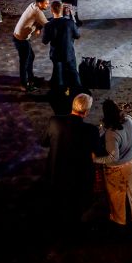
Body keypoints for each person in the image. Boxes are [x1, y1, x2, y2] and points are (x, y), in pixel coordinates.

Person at [40, 93, 100, 227]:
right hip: (78, 179)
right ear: (86, 112)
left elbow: (43, 142)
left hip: (55, 174)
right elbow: (98, 151)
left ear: (72, 105)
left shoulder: (54, 121)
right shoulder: (91, 130)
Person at [94, 99, 132, 227]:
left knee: (118, 196)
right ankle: (130, 215)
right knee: (130, 191)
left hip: (117, 170)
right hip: (131, 162)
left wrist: (95, 159)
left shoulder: (111, 133)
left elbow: (113, 158)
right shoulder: (129, 119)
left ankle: (120, 220)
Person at [13, 0, 51, 92]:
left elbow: (39, 21)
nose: (48, 5)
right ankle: (24, 84)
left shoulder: (33, 5)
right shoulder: (37, 12)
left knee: (31, 57)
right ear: (40, 3)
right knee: (24, 62)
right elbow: (48, 26)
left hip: (19, 36)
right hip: (21, 39)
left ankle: (31, 78)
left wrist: (38, 28)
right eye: (46, 3)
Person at [42, 0, 81, 94]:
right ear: (62, 10)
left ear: (52, 11)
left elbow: (45, 41)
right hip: (68, 54)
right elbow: (77, 36)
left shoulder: (48, 25)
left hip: (56, 55)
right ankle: (79, 93)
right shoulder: (70, 23)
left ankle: (60, 94)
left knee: (58, 75)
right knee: (73, 73)